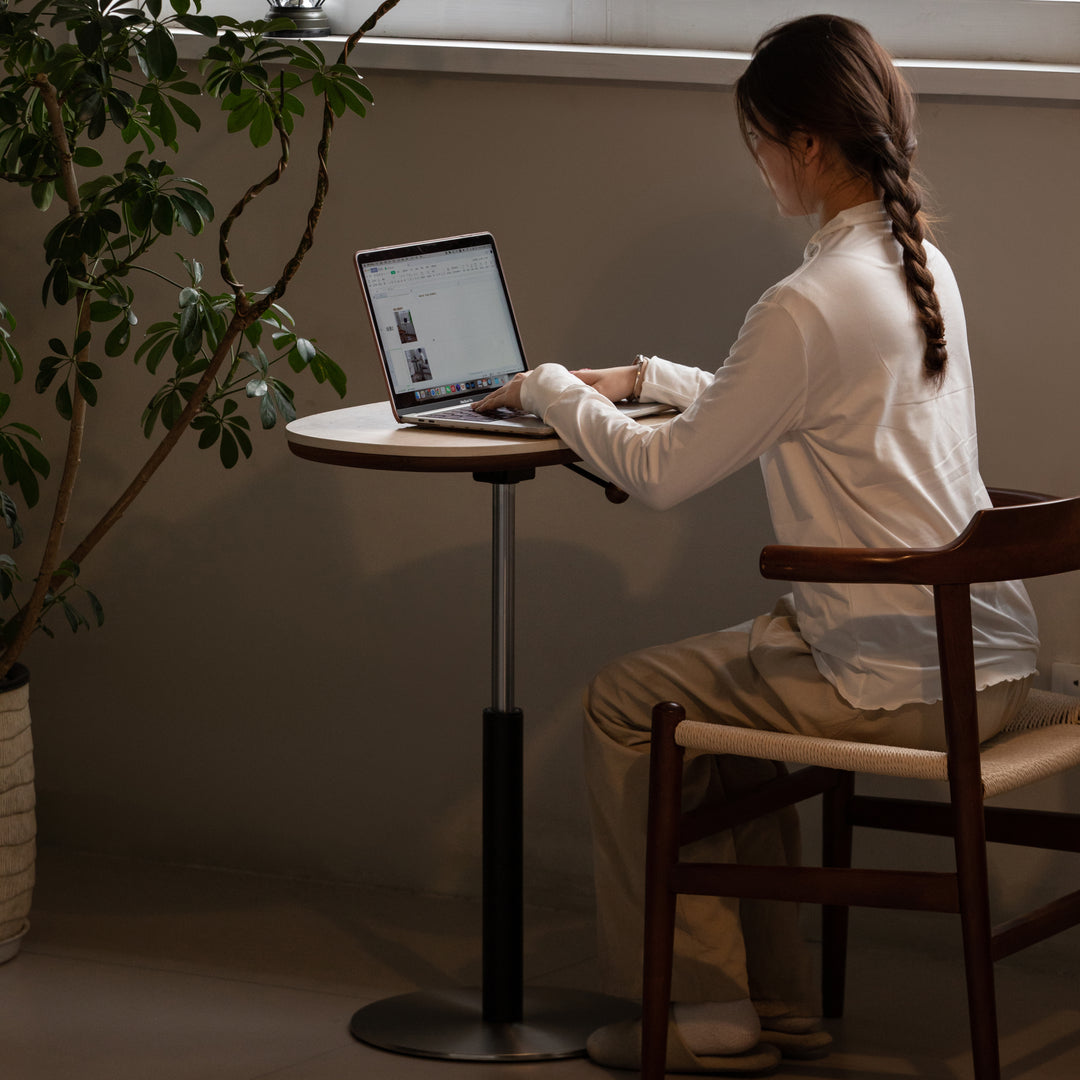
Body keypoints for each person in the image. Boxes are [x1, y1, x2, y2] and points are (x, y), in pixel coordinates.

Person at [477, 13, 1039, 1075]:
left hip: (897, 671)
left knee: (629, 705)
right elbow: (798, 403)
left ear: (807, 146)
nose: (760, 171)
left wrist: (548, 388)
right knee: (722, 712)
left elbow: (665, 474)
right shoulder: (916, 266)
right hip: (981, 651)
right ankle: (767, 1003)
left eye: (760, 146)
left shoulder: (807, 301)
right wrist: (646, 380)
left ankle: (705, 1012)